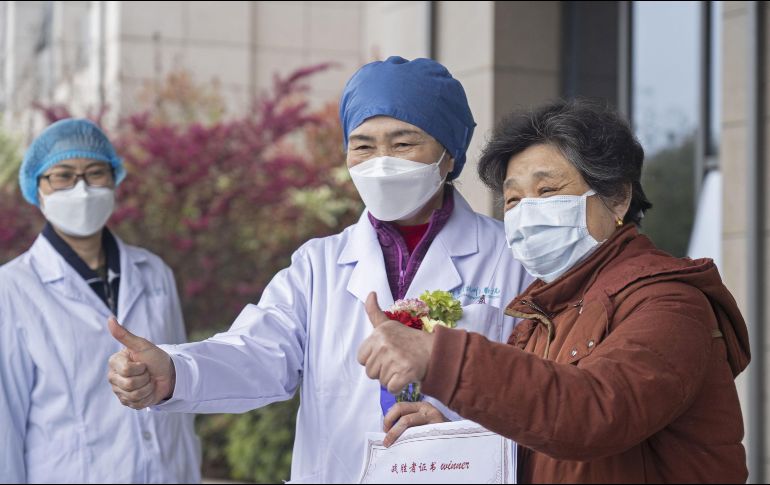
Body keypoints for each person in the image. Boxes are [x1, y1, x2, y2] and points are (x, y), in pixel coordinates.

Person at [106, 56, 533, 483]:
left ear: (449, 154)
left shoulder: (510, 259)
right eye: (363, 146)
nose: (381, 162)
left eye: (403, 144)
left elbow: (538, 393)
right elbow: (255, 353)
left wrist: (458, 436)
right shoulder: (318, 265)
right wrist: (175, 371)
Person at [358, 99, 750, 483]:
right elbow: (542, 435)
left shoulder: (669, 304)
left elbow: (594, 414)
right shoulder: (543, 316)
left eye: (547, 191)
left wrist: (441, 357)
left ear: (618, 198)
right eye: (513, 199)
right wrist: (458, 440)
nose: (526, 212)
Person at [0, 119, 201, 483]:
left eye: (95, 173)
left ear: (114, 179)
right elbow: (5, 426)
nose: (81, 189)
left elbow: (179, 394)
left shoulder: (154, 273)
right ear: (37, 187)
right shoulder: (12, 289)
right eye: (63, 176)